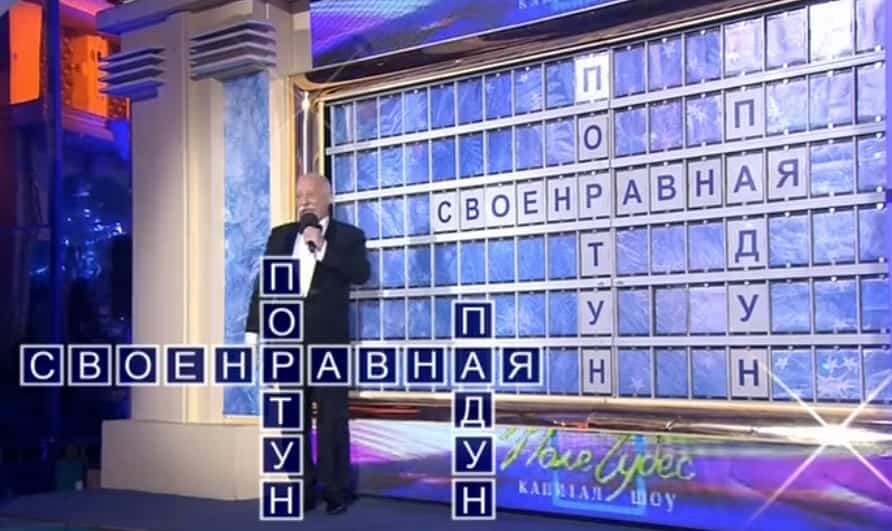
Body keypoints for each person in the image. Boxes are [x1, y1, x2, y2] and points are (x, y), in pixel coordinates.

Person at [245, 173, 370, 515]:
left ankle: (335, 490)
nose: (304, 201)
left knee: (332, 419)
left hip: (329, 345)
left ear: (328, 198)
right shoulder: (281, 236)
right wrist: (253, 330)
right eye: (300, 195)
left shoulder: (349, 236)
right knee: (292, 419)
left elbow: (361, 274)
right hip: (287, 343)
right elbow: (264, 284)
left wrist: (322, 247)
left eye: (311, 195)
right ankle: (300, 487)